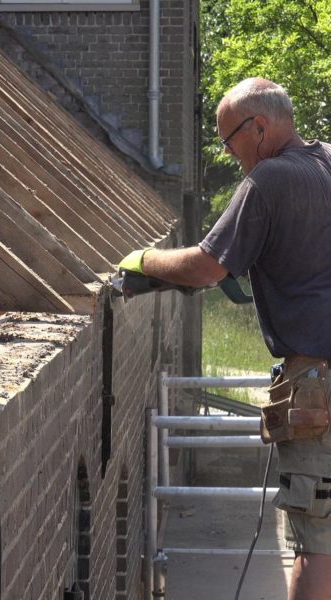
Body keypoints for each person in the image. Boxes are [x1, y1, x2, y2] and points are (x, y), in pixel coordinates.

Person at [119, 77, 331, 599]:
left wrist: (141, 261)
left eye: (229, 138)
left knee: (318, 541)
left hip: (319, 384)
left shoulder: (269, 180)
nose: (230, 152)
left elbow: (205, 267)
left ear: (259, 127)